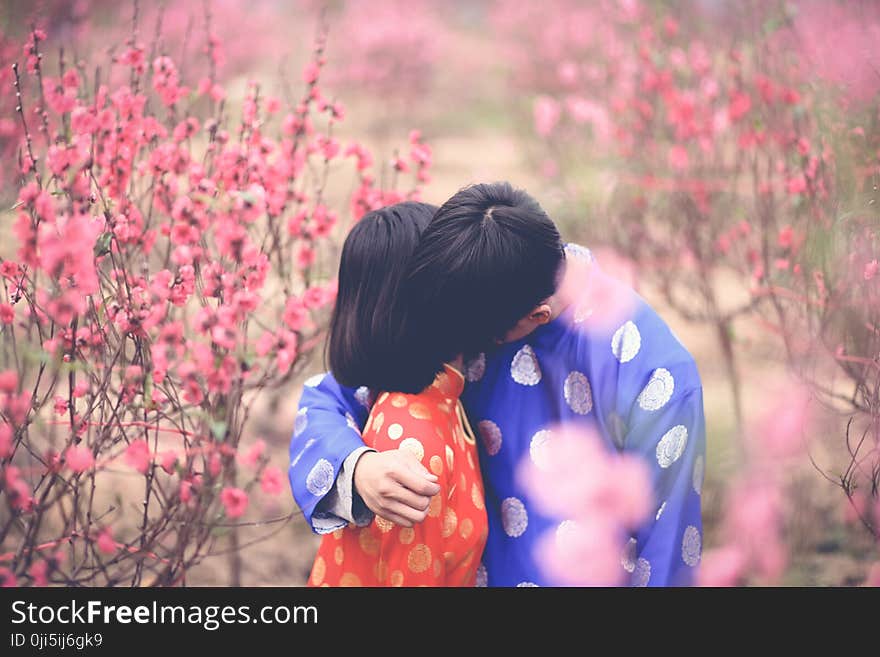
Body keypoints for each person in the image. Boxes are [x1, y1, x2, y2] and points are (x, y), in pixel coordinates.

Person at [291, 183, 705, 586]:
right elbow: (331, 396)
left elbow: (667, 553)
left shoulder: (656, 373)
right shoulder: (476, 295)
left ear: (536, 317)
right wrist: (358, 468)